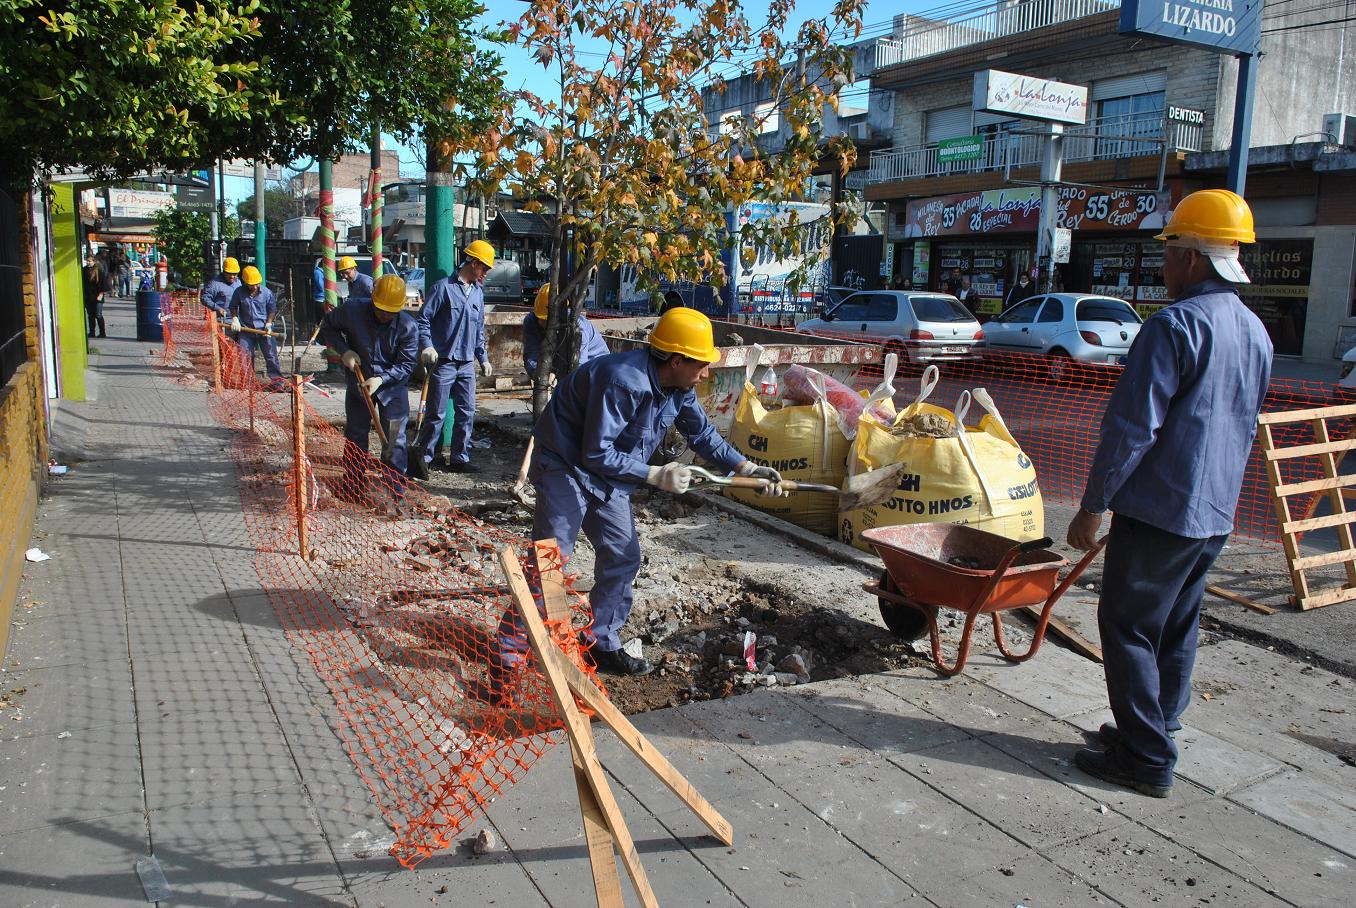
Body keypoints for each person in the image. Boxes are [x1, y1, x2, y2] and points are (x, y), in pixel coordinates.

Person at [1066, 189, 1272, 798]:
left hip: (1160, 512)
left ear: (1192, 257)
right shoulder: (1255, 331)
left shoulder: (1174, 326)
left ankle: (1147, 757)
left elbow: (1133, 429)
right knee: (1177, 625)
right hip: (1213, 513)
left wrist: (1092, 505)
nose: (1164, 266)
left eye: (1169, 252)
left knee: (1127, 625)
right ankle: (1156, 727)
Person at [495, 307, 787, 680]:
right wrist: (654, 474)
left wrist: (745, 468)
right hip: (565, 465)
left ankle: (600, 641)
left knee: (623, 556)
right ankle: (506, 658)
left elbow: (702, 434)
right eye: (701, 364)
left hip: (608, 472)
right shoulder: (623, 381)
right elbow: (595, 452)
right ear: (677, 360)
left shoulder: (678, 388)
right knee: (549, 562)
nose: (706, 373)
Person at [319, 274, 419, 510]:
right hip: (359, 383)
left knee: (394, 439)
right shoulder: (352, 310)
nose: (384, 315)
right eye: (380, 309)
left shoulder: (407, 327)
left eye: (390, 312)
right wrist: (344, 351)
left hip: (392, 389)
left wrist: (382, 379)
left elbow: (406, 365)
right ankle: (353, 486)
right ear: (373, 300)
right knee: (355, 434)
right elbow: (327, 328)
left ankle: (394, 493)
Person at [409, 240, 496, 478]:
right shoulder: (443, 288)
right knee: (436, 414)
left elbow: (478, 331)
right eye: (485, 268)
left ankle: (459, 458)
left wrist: (483, 358)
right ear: (473, 263)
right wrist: (427, 346)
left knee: (466, 412)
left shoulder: (477, 293)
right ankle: (425, 458)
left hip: (466, 363)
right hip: (444, 362)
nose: (486, 273)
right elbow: (423, 320)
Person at [521, 283, 610, 379]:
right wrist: (540, 375)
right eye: (540, 318)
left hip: (596, 368)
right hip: (564, 364)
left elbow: (579, 366)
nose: (542, 322)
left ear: (560, 314)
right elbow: (531, 355)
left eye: (547, 320)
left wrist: (562, 380)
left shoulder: (577, 327)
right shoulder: (531, 321)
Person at [227, 265, 283, 383]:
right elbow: (233, 306)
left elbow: (272, 310)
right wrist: (235, 318)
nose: (255, 286)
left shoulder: (266, 293)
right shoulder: (239, 292)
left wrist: (269, 324)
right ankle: (248, 383)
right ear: (246, 283)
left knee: (271, 356)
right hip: (246, 330)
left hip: (264, 330)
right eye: (252, 284)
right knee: (245, 357)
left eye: (257, 284)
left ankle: (278, 383)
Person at [82, 253, 106, 339]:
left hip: (97, 295)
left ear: (94, 261)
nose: (88, 263)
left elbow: (103, 284)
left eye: (90, 261)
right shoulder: (84, 270)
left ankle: (102, 332)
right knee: (90, 315)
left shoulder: (99, 270)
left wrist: (101, 294)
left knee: (98, 314)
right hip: (88, 296)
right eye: (87, 261)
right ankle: (92, 332)